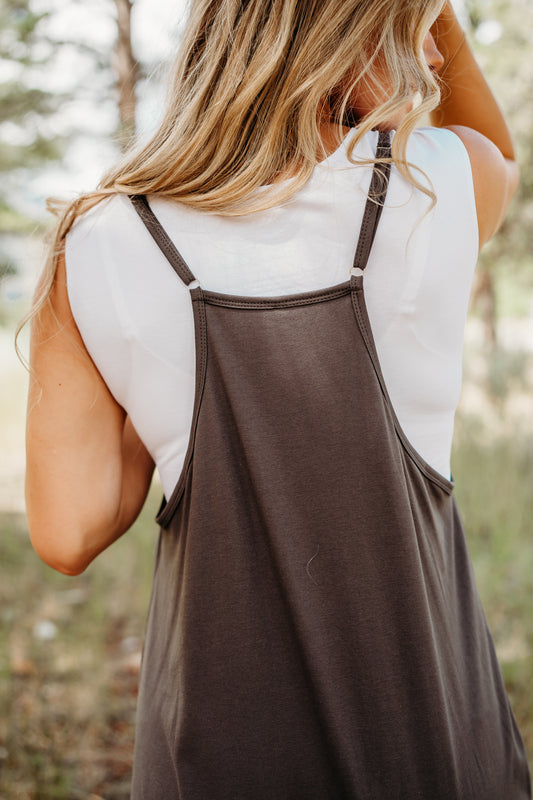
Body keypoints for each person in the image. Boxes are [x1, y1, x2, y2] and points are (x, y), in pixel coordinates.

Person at [23, 0, 530, 797]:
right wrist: (453, 26)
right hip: (429, 739)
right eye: (417, 28)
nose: (433, 62)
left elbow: (70, 530)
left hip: (214, 760)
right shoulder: (437, 180)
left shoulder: (101, 241)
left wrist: (157, 376)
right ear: (343, 32)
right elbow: (501, 152)